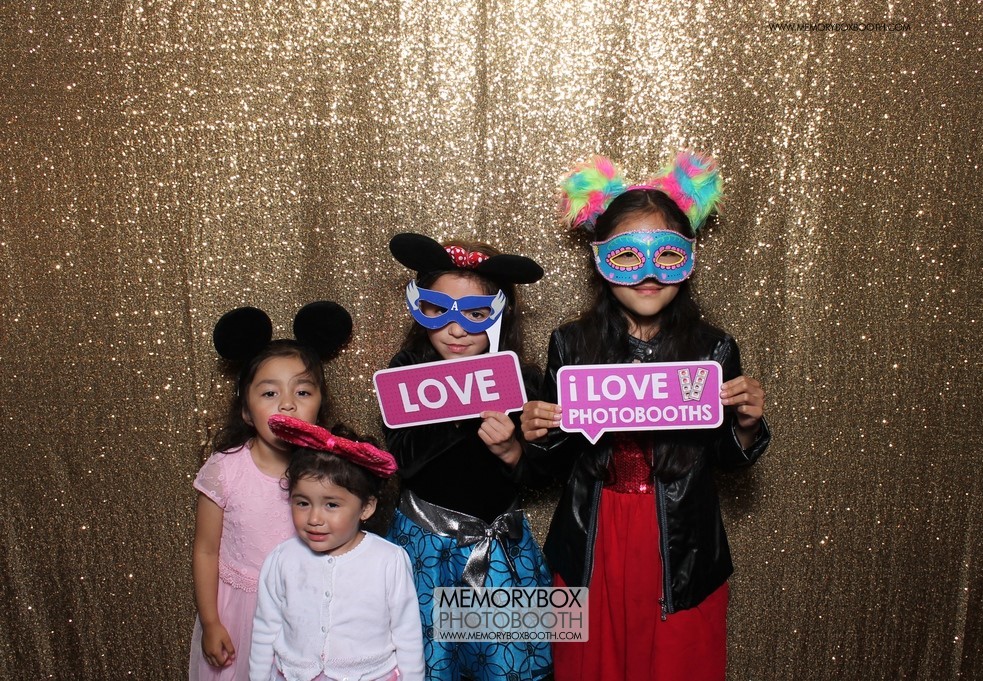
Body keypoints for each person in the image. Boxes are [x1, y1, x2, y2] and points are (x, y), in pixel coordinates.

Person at [522, 152, 772, 681]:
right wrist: (539, 433)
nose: (650, 273)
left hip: (683, 546)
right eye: (628, 256)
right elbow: (552, 462)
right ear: (600, 261)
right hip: (591, 539)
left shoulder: (713, 348)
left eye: (668, 254)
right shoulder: (571, 343)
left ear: (689, 258)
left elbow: (727, 458)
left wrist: (746, 426)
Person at [382, 233, 552, 681]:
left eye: (475, 314)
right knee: (427, 663)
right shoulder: (404, 373)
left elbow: (543, 473)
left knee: (504, 665)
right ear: (419, 309)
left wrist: (512, 451)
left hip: (499, 550)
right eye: (438, 310)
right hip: (426, 547)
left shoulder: (522, 380)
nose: (456, 330)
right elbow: (402, 460)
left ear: (499, 314)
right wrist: (462, 397)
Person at [189, 302, 352, 681]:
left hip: (311, 612)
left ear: (320, 406)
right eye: (269, 393)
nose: (288, 404)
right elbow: (206, 550)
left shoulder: (332, 470)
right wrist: (211, 622)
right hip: (240, 615)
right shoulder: (225, 469)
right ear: (246, 411)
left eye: (303, 392)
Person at [248, 415, 425, 681]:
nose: (314, 518)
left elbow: (407, 635)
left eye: (331, 505)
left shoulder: (389, 560)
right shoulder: (282, 558)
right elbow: (265, 628)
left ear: (366, 507)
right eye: (302, 503)